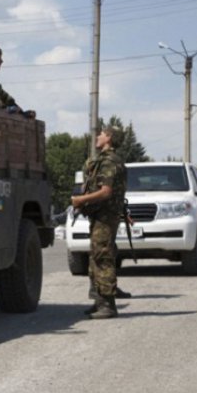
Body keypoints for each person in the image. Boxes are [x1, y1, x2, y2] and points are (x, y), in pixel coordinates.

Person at [71, 125, 129, 319]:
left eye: (102, 134)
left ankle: (108, 305)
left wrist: (81, 200)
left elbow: (106, 191)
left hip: (105, 215)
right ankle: (99, 301)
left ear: (109, 138)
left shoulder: (110, 161)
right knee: (96, 255)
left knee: (103, 256)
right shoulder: (104, 160)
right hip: (100, 215)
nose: (98, 136)